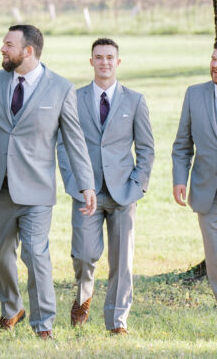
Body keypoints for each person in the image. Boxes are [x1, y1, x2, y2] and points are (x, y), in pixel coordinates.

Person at [0, 24, 96, 338]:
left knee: (34, 253)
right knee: (1, 255)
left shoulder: (60, 88)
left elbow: (75, 141)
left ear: (28, 51)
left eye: (8, 44)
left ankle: (43, 324)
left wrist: (86, 184)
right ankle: (11, 308)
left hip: (36, 191)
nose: (2, 49)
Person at [57, 37, 153, 335]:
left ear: (118, 62)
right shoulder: (74, 97)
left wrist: (137, 184)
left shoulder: (135, 100)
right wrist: (74, 182)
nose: (105, 62)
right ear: (91, 62)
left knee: (122, 261)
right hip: (86, 191)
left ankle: (116, 320)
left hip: (124, 191)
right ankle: (83, 298)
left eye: (110, 57)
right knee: (84, 253)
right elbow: (63, 145)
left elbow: (147, 148)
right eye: (99, 57)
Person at [172, 41, 217, 304]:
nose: (215, 65)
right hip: (206, 191)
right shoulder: (194, 94)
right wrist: (180, 179)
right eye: (213, 59)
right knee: (214, 254)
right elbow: (182, 144)